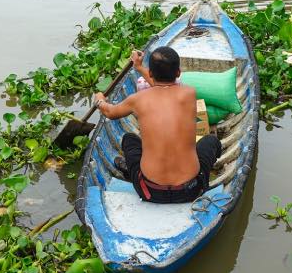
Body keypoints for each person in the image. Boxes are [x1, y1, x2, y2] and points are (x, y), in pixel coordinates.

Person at [94, 47, 222, 204]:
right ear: (178, 73)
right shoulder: (189, 94)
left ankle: (129, 170)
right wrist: (140, 68)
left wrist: (100, 100)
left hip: (150, 191)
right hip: (191, 190)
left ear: (152, 74)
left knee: (129, 139)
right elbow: (164, 87)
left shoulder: (138, 99)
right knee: (211, 141)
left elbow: (110, 112)